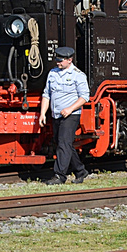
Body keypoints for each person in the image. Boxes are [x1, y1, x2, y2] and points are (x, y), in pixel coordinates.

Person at [38, 45, 90, 184]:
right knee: (63, 144)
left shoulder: (78, 75)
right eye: (57, 59)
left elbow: (84, 97)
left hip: (71, 115)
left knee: (63, 144)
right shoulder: (52, 73)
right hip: (56, 115)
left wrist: (70, 109)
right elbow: (46, 94)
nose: (58, 62)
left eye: (61, 60)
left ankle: (60, 176)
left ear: (69, 60)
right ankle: (80, 171)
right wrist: (42, 113)